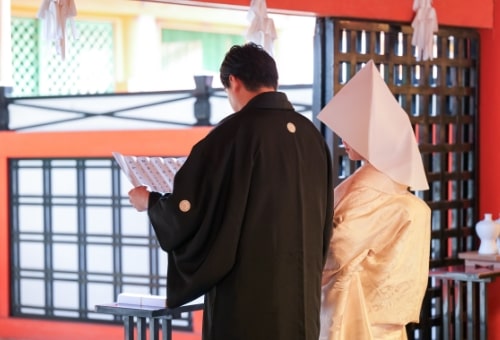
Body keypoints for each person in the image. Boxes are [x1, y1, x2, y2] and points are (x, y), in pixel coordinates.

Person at [128, 42, 334, 340]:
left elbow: (195, 210)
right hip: (300, 295)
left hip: (249, 297)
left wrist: (152, 202)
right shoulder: (310, 135)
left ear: (234, 82)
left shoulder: (233, 134)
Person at [317, 60, 431, 340]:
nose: (343, 139)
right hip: (387, 324)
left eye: (351, 130)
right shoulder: (406, 202)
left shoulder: (367, 193)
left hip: (354, 318)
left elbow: (336, 251)